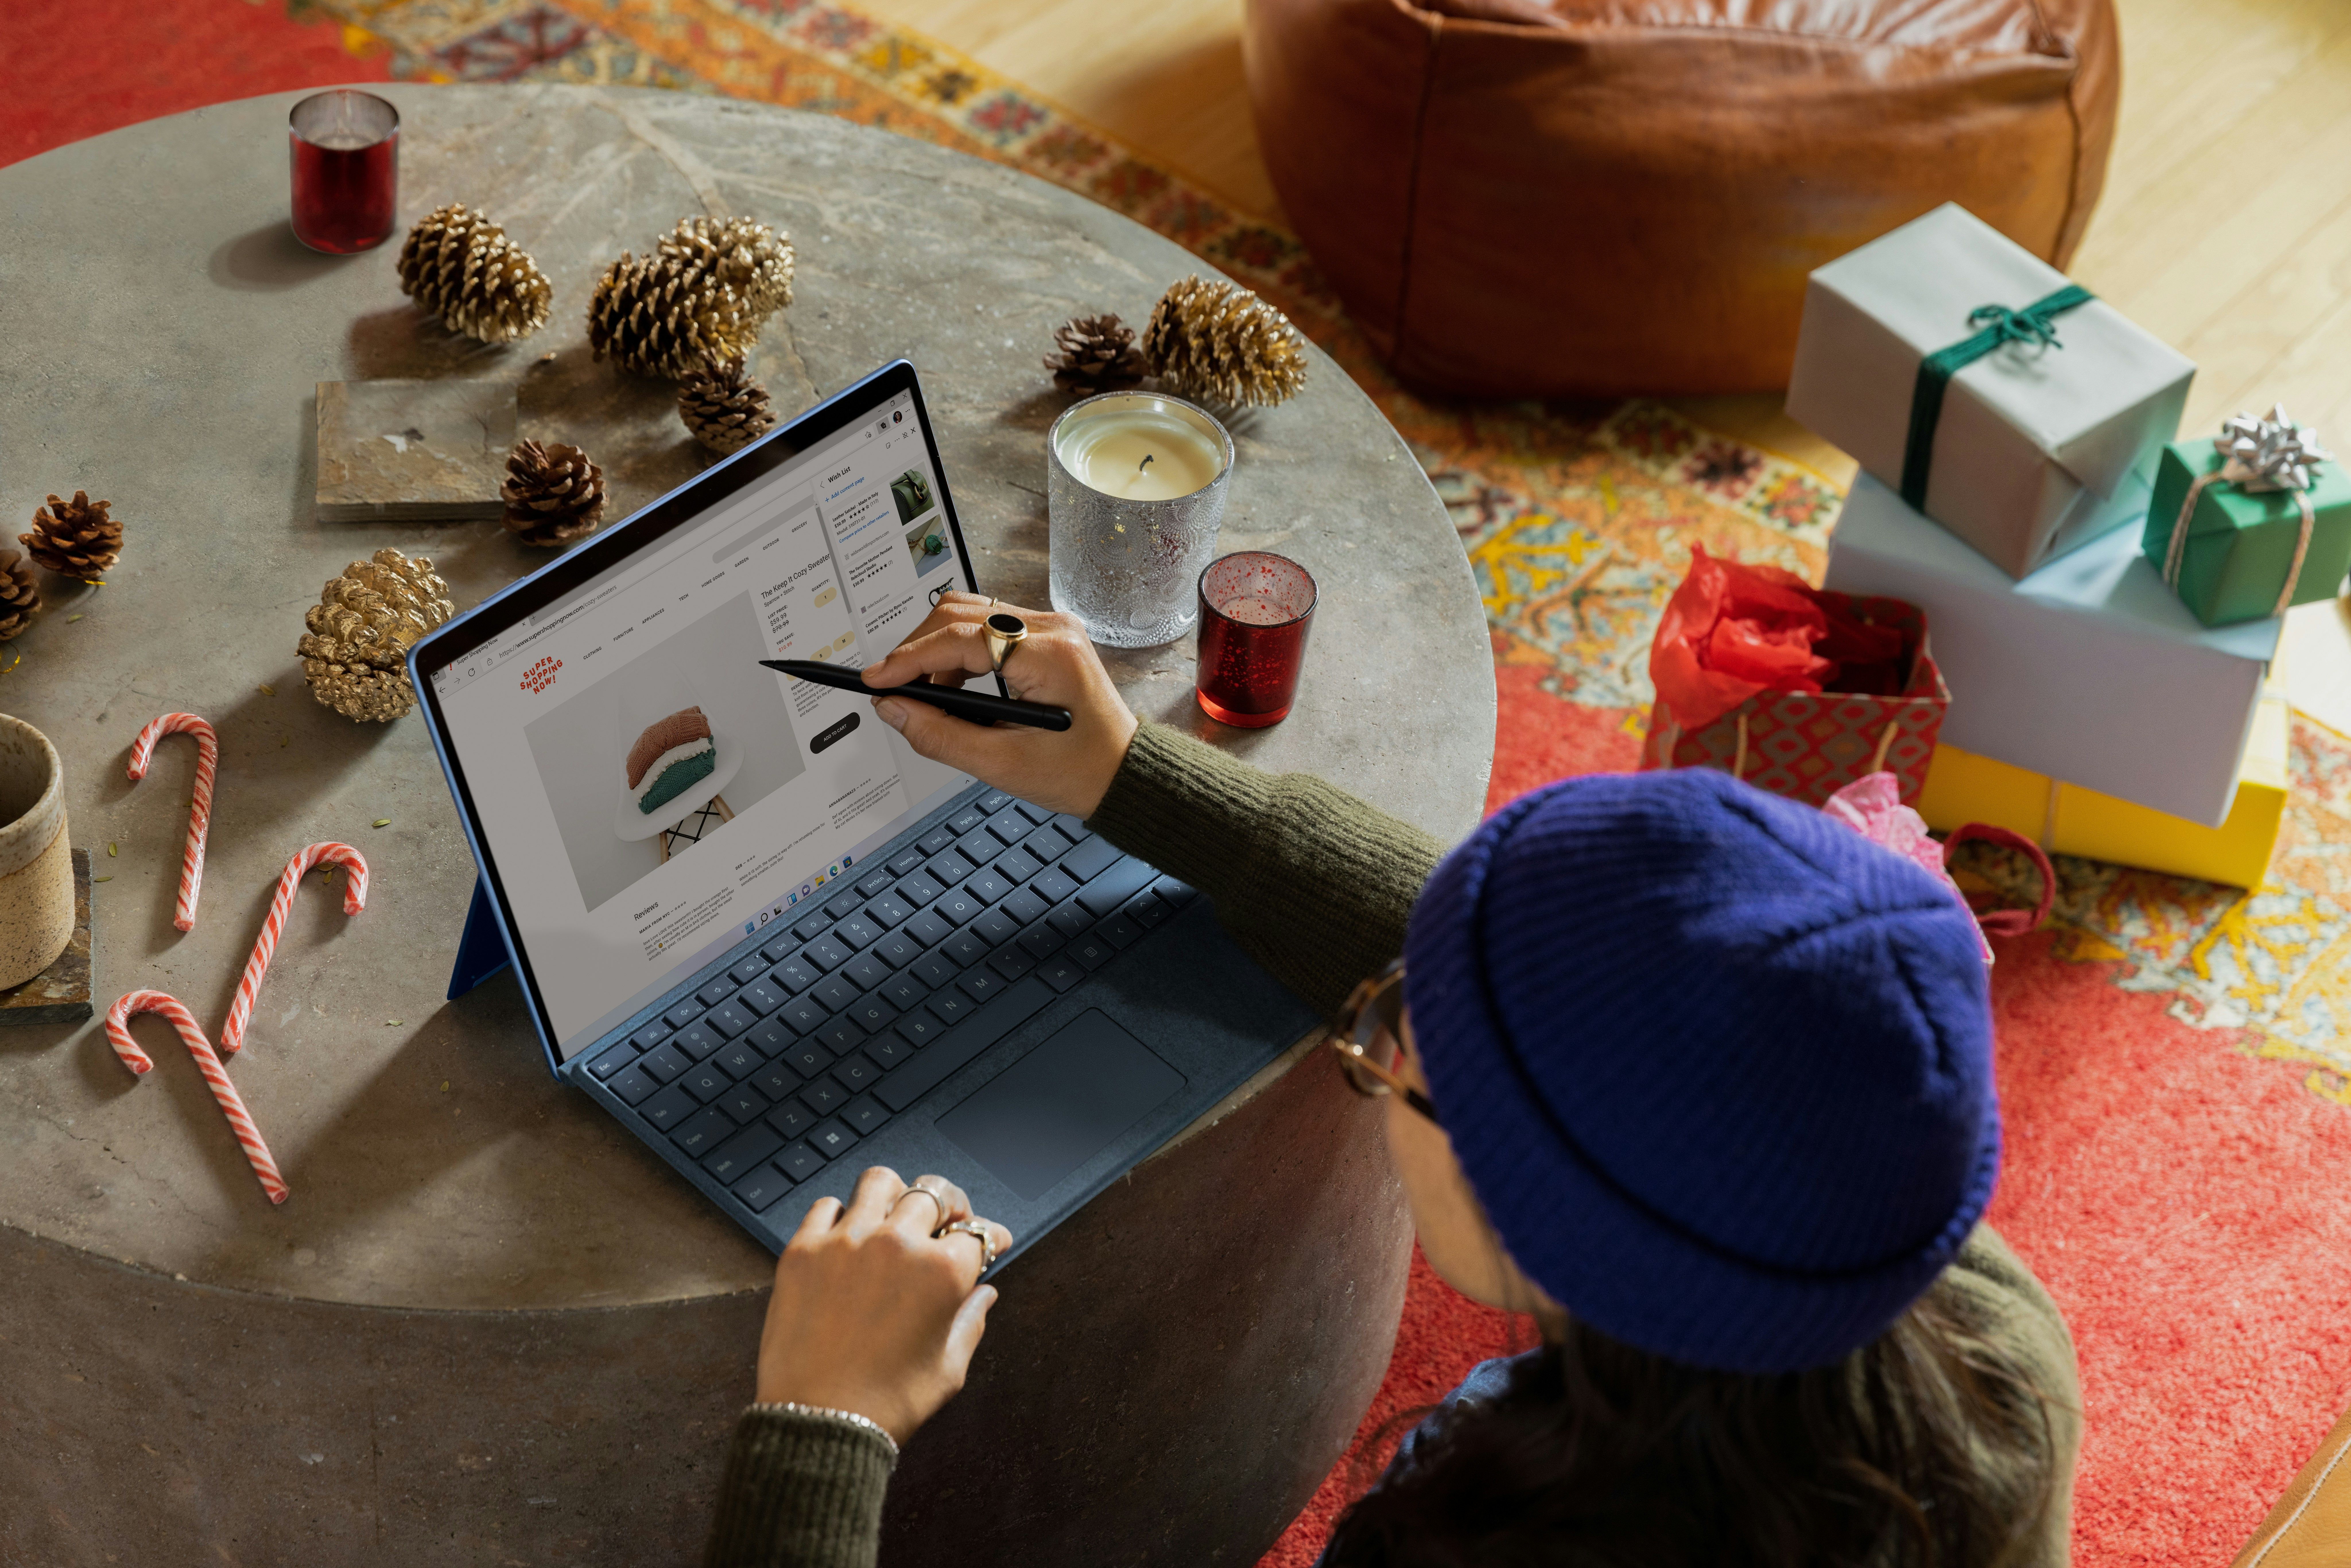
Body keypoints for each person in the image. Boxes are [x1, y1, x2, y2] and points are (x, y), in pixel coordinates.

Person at [702, 593, 2080, 1568]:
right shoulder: (1976, 1324)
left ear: (1533, 1205)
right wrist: (1130, 774)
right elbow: (1636, 1013)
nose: (1379, 1036)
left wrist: (822, 1426)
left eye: (1400, 1047)